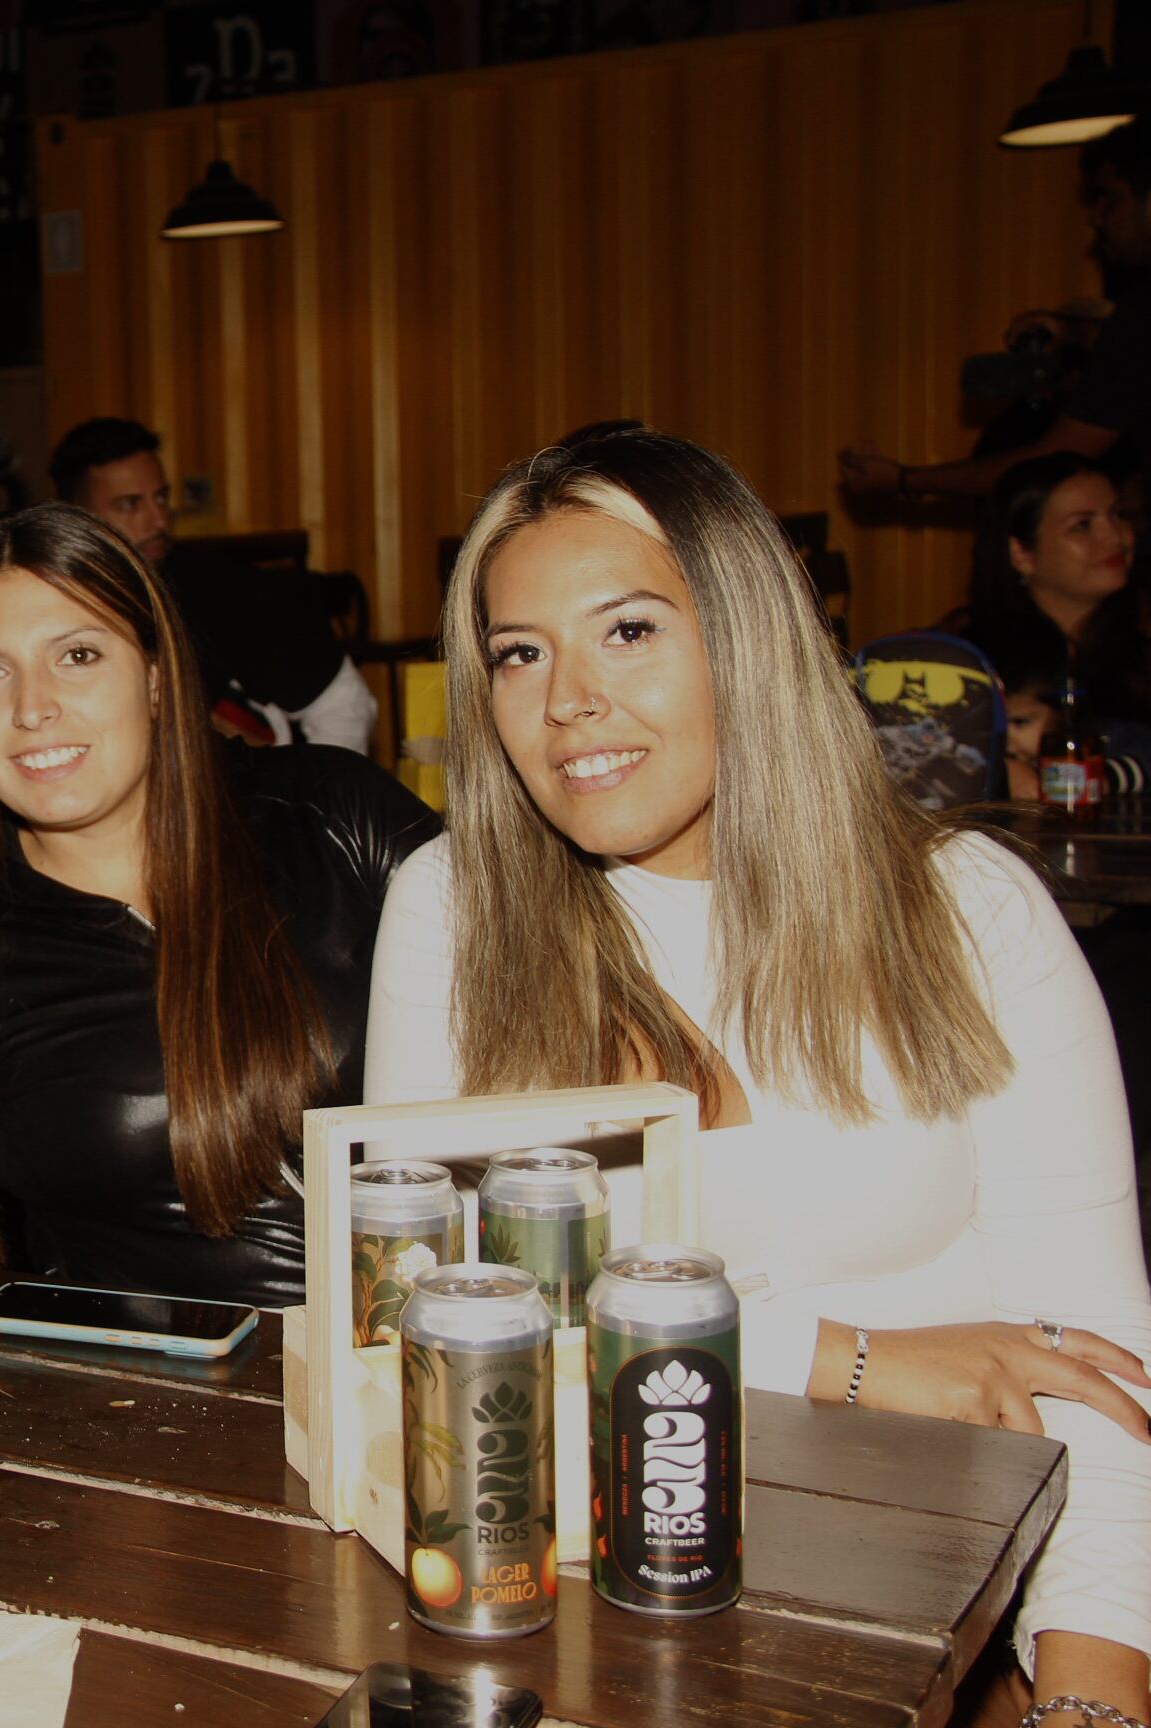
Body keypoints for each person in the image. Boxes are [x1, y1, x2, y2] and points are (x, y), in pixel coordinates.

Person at [363, 429, 1151, 1724]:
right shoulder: (455, 912)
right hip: (574, 1626)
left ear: (746, 635)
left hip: (936, 1633)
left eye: (627, 632)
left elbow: (1100, 1375)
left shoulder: (969, 910)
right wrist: (850, 1359)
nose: (566, 699)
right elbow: (423, 1329)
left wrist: (1093, 1689)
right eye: (520, 652)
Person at [0, 503, 436, 1307]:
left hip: (437, 1358)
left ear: (157, 677)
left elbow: (545, 1022)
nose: (32, 707)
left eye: (78, 655)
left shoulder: (332, 817)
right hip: (167, 1406)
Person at [840, 122, 1151, 500]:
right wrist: (1075, 332)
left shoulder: (1136, 320)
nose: (1095, 217)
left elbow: (1052, 463)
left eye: (1109, 198)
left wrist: (904, 480)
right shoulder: (1133, 322)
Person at [48, 417, 377, 754]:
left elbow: (344, 704)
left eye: (160, 498)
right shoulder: (44, 608)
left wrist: (309, 801)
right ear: (76, 516)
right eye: (131, 504)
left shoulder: (227, 591)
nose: (159, 519)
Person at [956, 453, 1151, 729]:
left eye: (1118, 515)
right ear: (1021, 553)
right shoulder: (973, 664)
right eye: (1082, 525)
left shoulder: (1141, 645)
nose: (1114, 536)